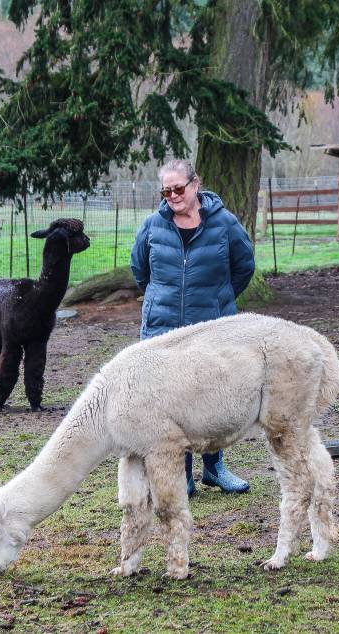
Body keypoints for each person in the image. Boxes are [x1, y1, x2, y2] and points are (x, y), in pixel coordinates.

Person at [130, 159, 255, 496]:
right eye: (166, 190)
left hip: (210, 329)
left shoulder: (225, 224)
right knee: (173, 404)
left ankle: (215, 469)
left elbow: (244, 266)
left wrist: (219, 299)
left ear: (195, 184)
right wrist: (162, 301)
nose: (173, 196)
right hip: (164, 330)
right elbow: (139, 270)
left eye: (178, 188)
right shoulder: (153, 226)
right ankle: (182, 476)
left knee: (212, 400)